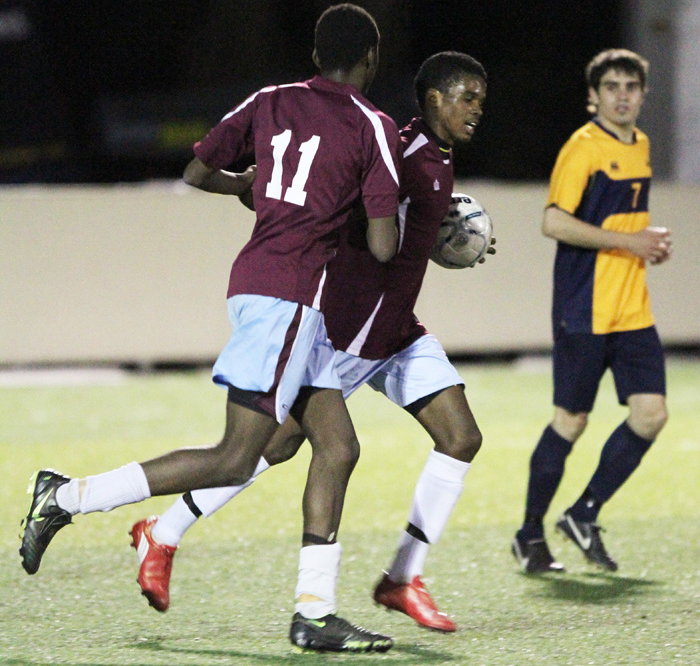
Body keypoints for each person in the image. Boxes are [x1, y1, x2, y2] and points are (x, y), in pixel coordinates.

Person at [20, 3, 402, 653]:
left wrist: (248, 188)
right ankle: (69, 495)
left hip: (263, 284)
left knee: (335, 447)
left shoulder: (271, 99)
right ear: (371, 58)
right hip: (289, 296)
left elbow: (197, 172)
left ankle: (314, 611)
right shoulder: (374, 125)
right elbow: (385, 245)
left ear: (315, 57)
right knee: (235, 455)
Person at [130, 51, 490, 633]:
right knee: (272, 447)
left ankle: (402, 578)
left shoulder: (438, 157)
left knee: (462, 437)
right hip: (349, 328)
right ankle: (163, 532)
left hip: (397, 332)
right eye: (466, 97)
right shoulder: (399, 148)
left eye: (481, 98)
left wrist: (452, 240)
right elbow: (355, 215)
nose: (478, 108)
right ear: (434, 99)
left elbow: (410, 229)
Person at [511, 49, 672, 574]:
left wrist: (645, 246)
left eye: (631, 86)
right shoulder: (581, 149)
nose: (622, 95)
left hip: (633, 310)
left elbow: (624, 229)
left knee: (651, 415)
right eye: (612, 87)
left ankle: (584, 512)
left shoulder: (642, 145)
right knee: (571, 421)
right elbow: (554, 222)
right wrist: (629, 243)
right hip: (584, 308)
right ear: (593, 96)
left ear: (643, 95)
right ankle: (530, 534)